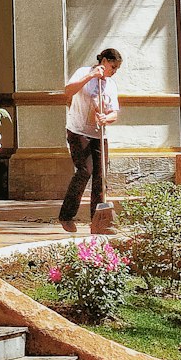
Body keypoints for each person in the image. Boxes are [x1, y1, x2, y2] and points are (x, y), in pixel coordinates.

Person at [58, 48, 122, 233]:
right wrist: (90, 76)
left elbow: (114, 114)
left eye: (116, 68)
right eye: (112, 67)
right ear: (103, 61)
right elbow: (67, 91)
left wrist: (106, 118)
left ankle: (99, 222)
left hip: (99, 134)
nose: (114, 71)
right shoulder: (83, 72)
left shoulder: (111, 85)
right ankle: (66, 215)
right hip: (78, 131)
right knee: (85, 170)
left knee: (100, 177)